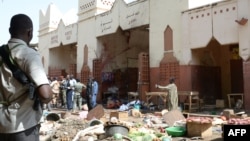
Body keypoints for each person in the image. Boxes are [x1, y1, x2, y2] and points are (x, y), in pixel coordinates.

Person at [0, 14, 53, 141]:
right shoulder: (29, 54)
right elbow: (45, 95)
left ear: (9, 31)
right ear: (30, 33)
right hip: (23, 127)